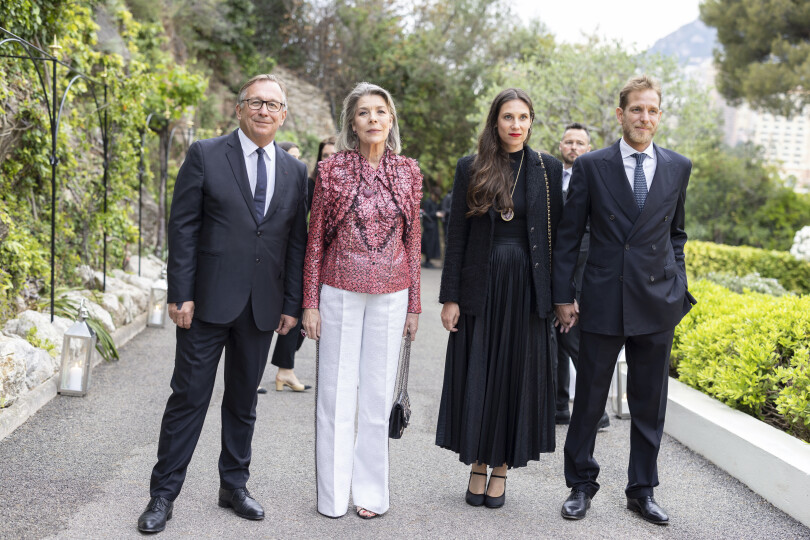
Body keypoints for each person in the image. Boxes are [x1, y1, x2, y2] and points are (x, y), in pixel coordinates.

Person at [136, 74, 308, 534]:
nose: (264, 111)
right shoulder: (206, 155)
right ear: (239, 109)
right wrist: (180, 293)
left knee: (242, 403)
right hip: (206, 303)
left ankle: (234, 486)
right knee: (188, 397)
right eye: (256, 102)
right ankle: (163, 494)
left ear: (284, 114)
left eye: (273, 105)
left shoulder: (295, 172)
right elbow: (184, 228)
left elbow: (295, 242)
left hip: (262, 307)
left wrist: (291, 303)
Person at [553, 75, 696, 525]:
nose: (644, 117)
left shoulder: (678, 166)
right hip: (602, 298)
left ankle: (642, 489)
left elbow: (677, 234)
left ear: (659, 116)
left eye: (652, 110)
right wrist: (563, 296)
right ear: (621, 114)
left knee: (649, 404)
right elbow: (570, 236)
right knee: (590, 400)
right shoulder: (593, 165)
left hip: (657, 300)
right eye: (636, 109)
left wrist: (679, 287)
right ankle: (580, 484)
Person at [436, 88, 563, 509]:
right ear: (495, 122)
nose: (516, 125)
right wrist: (450, 296)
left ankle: (503, 466)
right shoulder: (471, 167)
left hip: (527, 288)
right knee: (481, 371)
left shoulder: (547, 168)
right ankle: (476, 461)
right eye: (508, 117)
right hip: (482, 284)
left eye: (523, 117)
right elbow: (456, 235)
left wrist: (561, 297)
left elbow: (559, 239)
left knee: (515, 375)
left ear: (531, 121)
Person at [302, 82, 422, 520]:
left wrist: (414, 306)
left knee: (375, 396)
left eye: (381, 112)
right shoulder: (332, 169)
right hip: (338, 289)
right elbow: (315, 239)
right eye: (364, 113)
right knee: (334, 394)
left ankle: (371, 493)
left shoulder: (409, 171)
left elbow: (414, 240)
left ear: (391, 120)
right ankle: (332, 496)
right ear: (352, 123)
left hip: (393, 293)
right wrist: (310, 302)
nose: (373, 119)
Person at [553, 123, 610, 430]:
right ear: (561, 145)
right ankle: (560, 405)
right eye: (568, 141)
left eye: (580, 143)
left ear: (589, 148)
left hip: (579, 276)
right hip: (555, 271)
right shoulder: (551, 177)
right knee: (558, 343)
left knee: (575, 343)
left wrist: (572, 291)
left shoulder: (596, 179)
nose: (573, 147)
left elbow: (588, 241)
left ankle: (597, 412)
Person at [255, 140, 311, 394]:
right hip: (273, 262)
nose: (297, 161)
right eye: (293, 156)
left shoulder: (304, 179)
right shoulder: (283, 179)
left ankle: (284, 369)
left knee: (295, 314)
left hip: (297, 259)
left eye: (300, 157)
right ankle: (274, 371)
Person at [420, 186, 442, 268]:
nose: (436, 198)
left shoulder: (435, 203)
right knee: (428, 244)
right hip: (428, 227)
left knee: (432, 244)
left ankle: (428, 260)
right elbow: (426, 214)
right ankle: (427, 261)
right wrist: (435, 214)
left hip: (433, 226)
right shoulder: (428, 202)